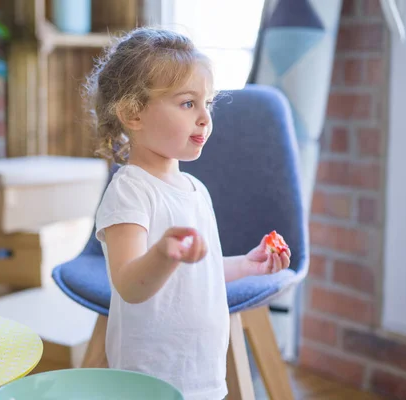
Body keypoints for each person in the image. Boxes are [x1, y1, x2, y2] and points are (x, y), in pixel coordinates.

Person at [84, 27, 292, 400]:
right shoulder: (131, 191)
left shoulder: (197, 192)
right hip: (149, 376)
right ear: (133, 113)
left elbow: (201, 273)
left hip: (203, 370)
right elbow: (129, 284)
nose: (204, 118)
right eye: (187, 104)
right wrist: (163, 253)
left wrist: (246, 264)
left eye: (207, 104)